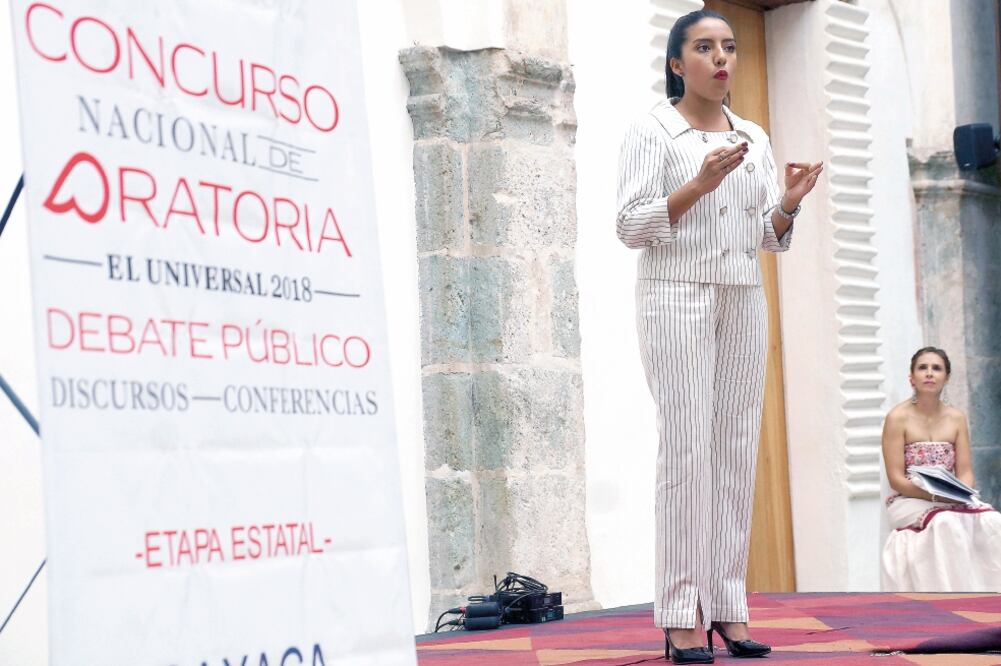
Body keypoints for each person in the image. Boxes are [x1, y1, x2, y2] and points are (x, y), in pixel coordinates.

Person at [616, 9, 823, 665]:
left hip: (741, 294)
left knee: (734, 450)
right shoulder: (652, 130)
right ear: (676, 63)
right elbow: (627, 226)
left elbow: (765, 234)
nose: (720, 58)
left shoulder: (753, 136)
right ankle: (680, 616)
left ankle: (728, 609)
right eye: (703, 48)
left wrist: (787, 201)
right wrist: (696, 185)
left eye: (728, 47)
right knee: (685, 451)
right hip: (674, 292)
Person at [881, 346, 1001, 592]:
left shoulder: (956, 418)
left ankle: (989, 599)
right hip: (909, 498)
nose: (929, 373)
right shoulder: (897, 417)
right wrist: (934, 496)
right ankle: (951, 598)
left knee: (992, 520)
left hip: (949, 496)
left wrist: (958, 492)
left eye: (937, 368)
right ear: (911, 377)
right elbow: (895, 478)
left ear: (946, 377)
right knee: (945, 522)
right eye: (922, 368)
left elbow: (965, 471)